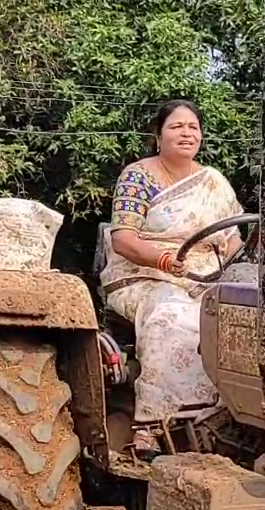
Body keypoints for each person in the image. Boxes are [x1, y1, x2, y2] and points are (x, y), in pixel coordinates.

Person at [99, 99, 245, 459]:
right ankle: (150, 427)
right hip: (143, 274)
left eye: (193, 127)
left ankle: (231, 420)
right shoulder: (138, 176)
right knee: (174, 317)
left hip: (208, 277)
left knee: (242, 319)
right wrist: (166, 260)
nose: (187, 133)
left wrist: (231, 265)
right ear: (158, 135)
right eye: (177, 126)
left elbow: (233, 238)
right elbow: (124, 239)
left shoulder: (213, 182)